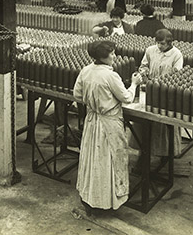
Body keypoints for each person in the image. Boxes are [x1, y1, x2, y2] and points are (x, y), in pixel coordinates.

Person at [73, 40, 142, 214]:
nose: (114, 56)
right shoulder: (111, 76)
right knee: (109, 161)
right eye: (111, 54)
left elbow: (77, 94)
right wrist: (134, 84)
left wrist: (94, 101)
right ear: (103, 57)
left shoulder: (86, 71)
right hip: (109, 123)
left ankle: (90, 198)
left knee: (92, 159)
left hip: (92, 121)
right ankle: (107, 203)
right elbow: (126, 98)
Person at [132, 29, 183, 160]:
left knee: (163, 125)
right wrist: (144, 73)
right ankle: (143, 152)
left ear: (170, 43)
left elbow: (177, 75)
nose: (159, 46)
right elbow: (143, 65)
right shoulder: (150, 50)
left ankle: (165, 155)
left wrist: (162, 82)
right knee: (145, 118)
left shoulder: (177, 55)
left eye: (162, 44)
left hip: (166, 93)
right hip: (149, 90)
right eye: (158, 43)